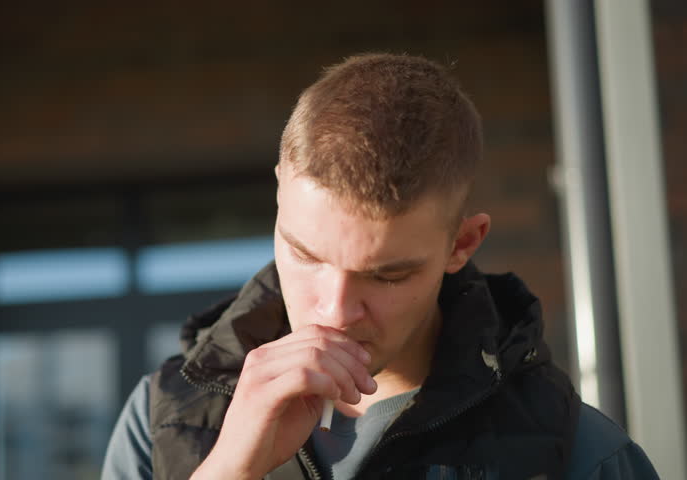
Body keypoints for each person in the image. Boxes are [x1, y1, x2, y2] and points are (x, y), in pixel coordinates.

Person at [101, 53, 658, 479]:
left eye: (387, 275)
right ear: (279, 197)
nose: (335, 310)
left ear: (463, 243)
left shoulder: (577, 454)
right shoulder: (159, 422)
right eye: (305, 255)